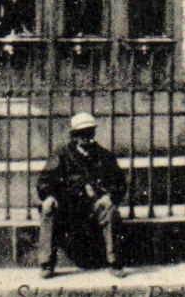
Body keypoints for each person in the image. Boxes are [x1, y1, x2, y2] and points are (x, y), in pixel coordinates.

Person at [36, 112, 124, 277]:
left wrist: (109, 196)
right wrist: (48, 196)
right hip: (68, 206)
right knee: (47, 209)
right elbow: (44, 180)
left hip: (94, 206)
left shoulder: (104, 156)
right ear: (74, 135)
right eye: (81, 134)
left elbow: (119, 182)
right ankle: (46, 263)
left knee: (110, 210)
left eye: (89, 133)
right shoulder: (61, 156)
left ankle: (114, 262)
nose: (85, 138)